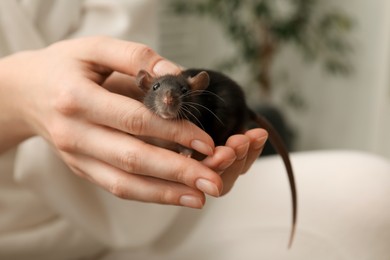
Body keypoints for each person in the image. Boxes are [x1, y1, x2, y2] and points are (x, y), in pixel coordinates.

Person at [0, 1, 267, 258]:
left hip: (127, 224)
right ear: (147, 85)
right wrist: (18, 98)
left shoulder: (192, 102)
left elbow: (124, 45)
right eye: (157, 90)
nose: (169, 99)